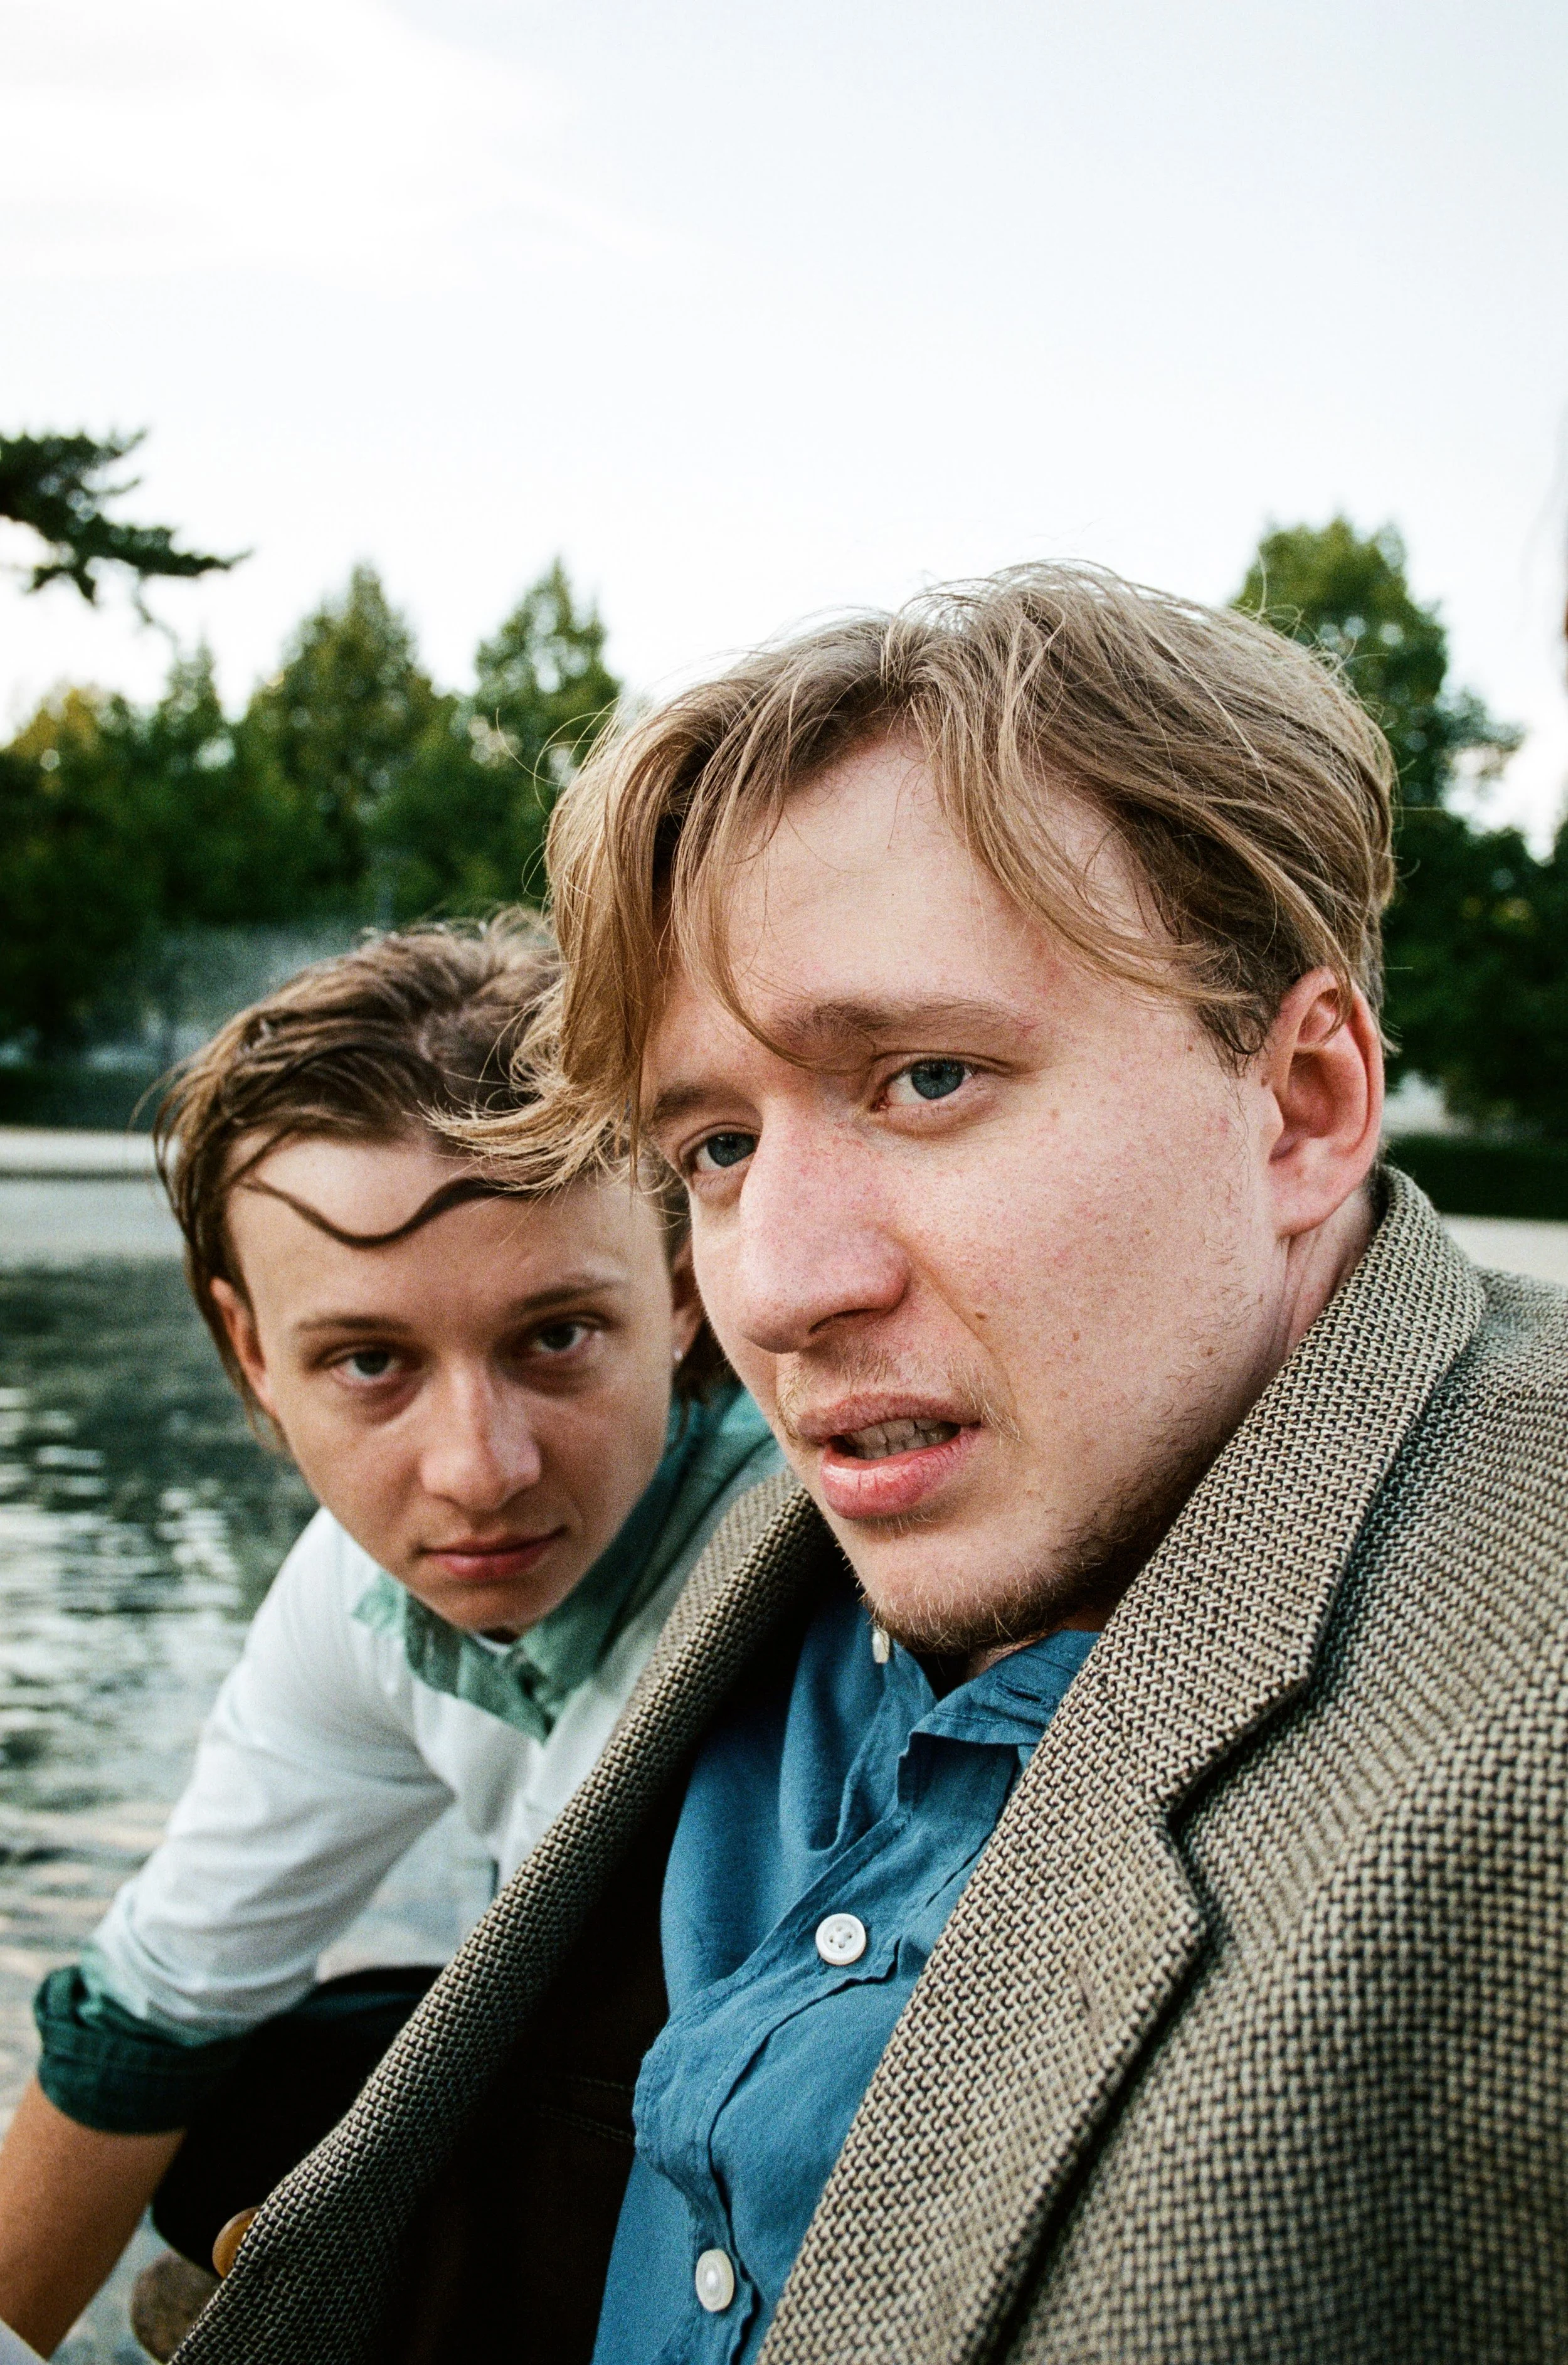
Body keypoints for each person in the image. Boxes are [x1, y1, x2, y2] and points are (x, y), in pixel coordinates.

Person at [173, 568, 1568, 2365]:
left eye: (923, 1079)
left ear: (1300, 1100)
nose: (774, 1286)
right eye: (718, 1144)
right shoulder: (848, 1545)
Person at [0, 919, 780, 2361]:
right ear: (252, 1352)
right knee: (270, 2082)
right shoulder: (353, 1589)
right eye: (369, 1362)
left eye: (554, 1337)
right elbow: (152, 2014)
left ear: (680, 1291)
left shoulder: (808, 1559)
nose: (474, 1471)